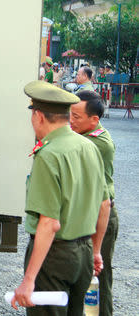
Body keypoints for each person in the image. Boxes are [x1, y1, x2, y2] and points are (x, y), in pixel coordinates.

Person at [11, 81, 109, 315]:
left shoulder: (49, 154)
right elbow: (105, 204)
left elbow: (49, 222)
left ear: (38, 117)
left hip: (54, 258)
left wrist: (29, 279)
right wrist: (95, 250)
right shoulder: (89, 146)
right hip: (84, 252)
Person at [71, 90, 118, 316]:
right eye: (69, 114)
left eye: (76, 117)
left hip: (101, 215)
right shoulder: (89, 134)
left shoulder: (96, 143)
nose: (70, 121)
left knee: (98, 276)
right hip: (88, 213)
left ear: (94, 119)